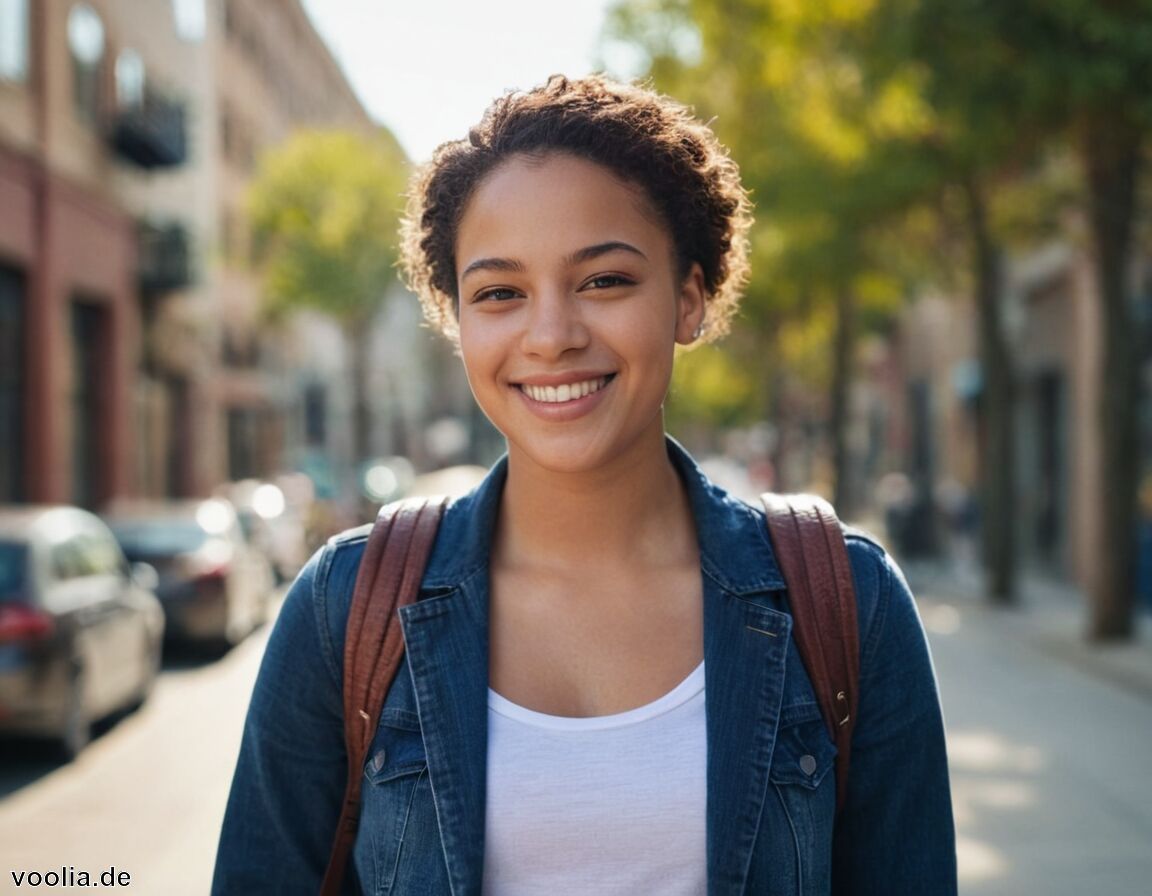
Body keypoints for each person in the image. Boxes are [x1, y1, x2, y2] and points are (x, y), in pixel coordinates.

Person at [212, 74, 956, 895]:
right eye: (499, 293)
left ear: (689, 297)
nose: (552, 336)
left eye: (604, 280)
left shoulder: (851, 603)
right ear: (457, 323)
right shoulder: (343, 609)